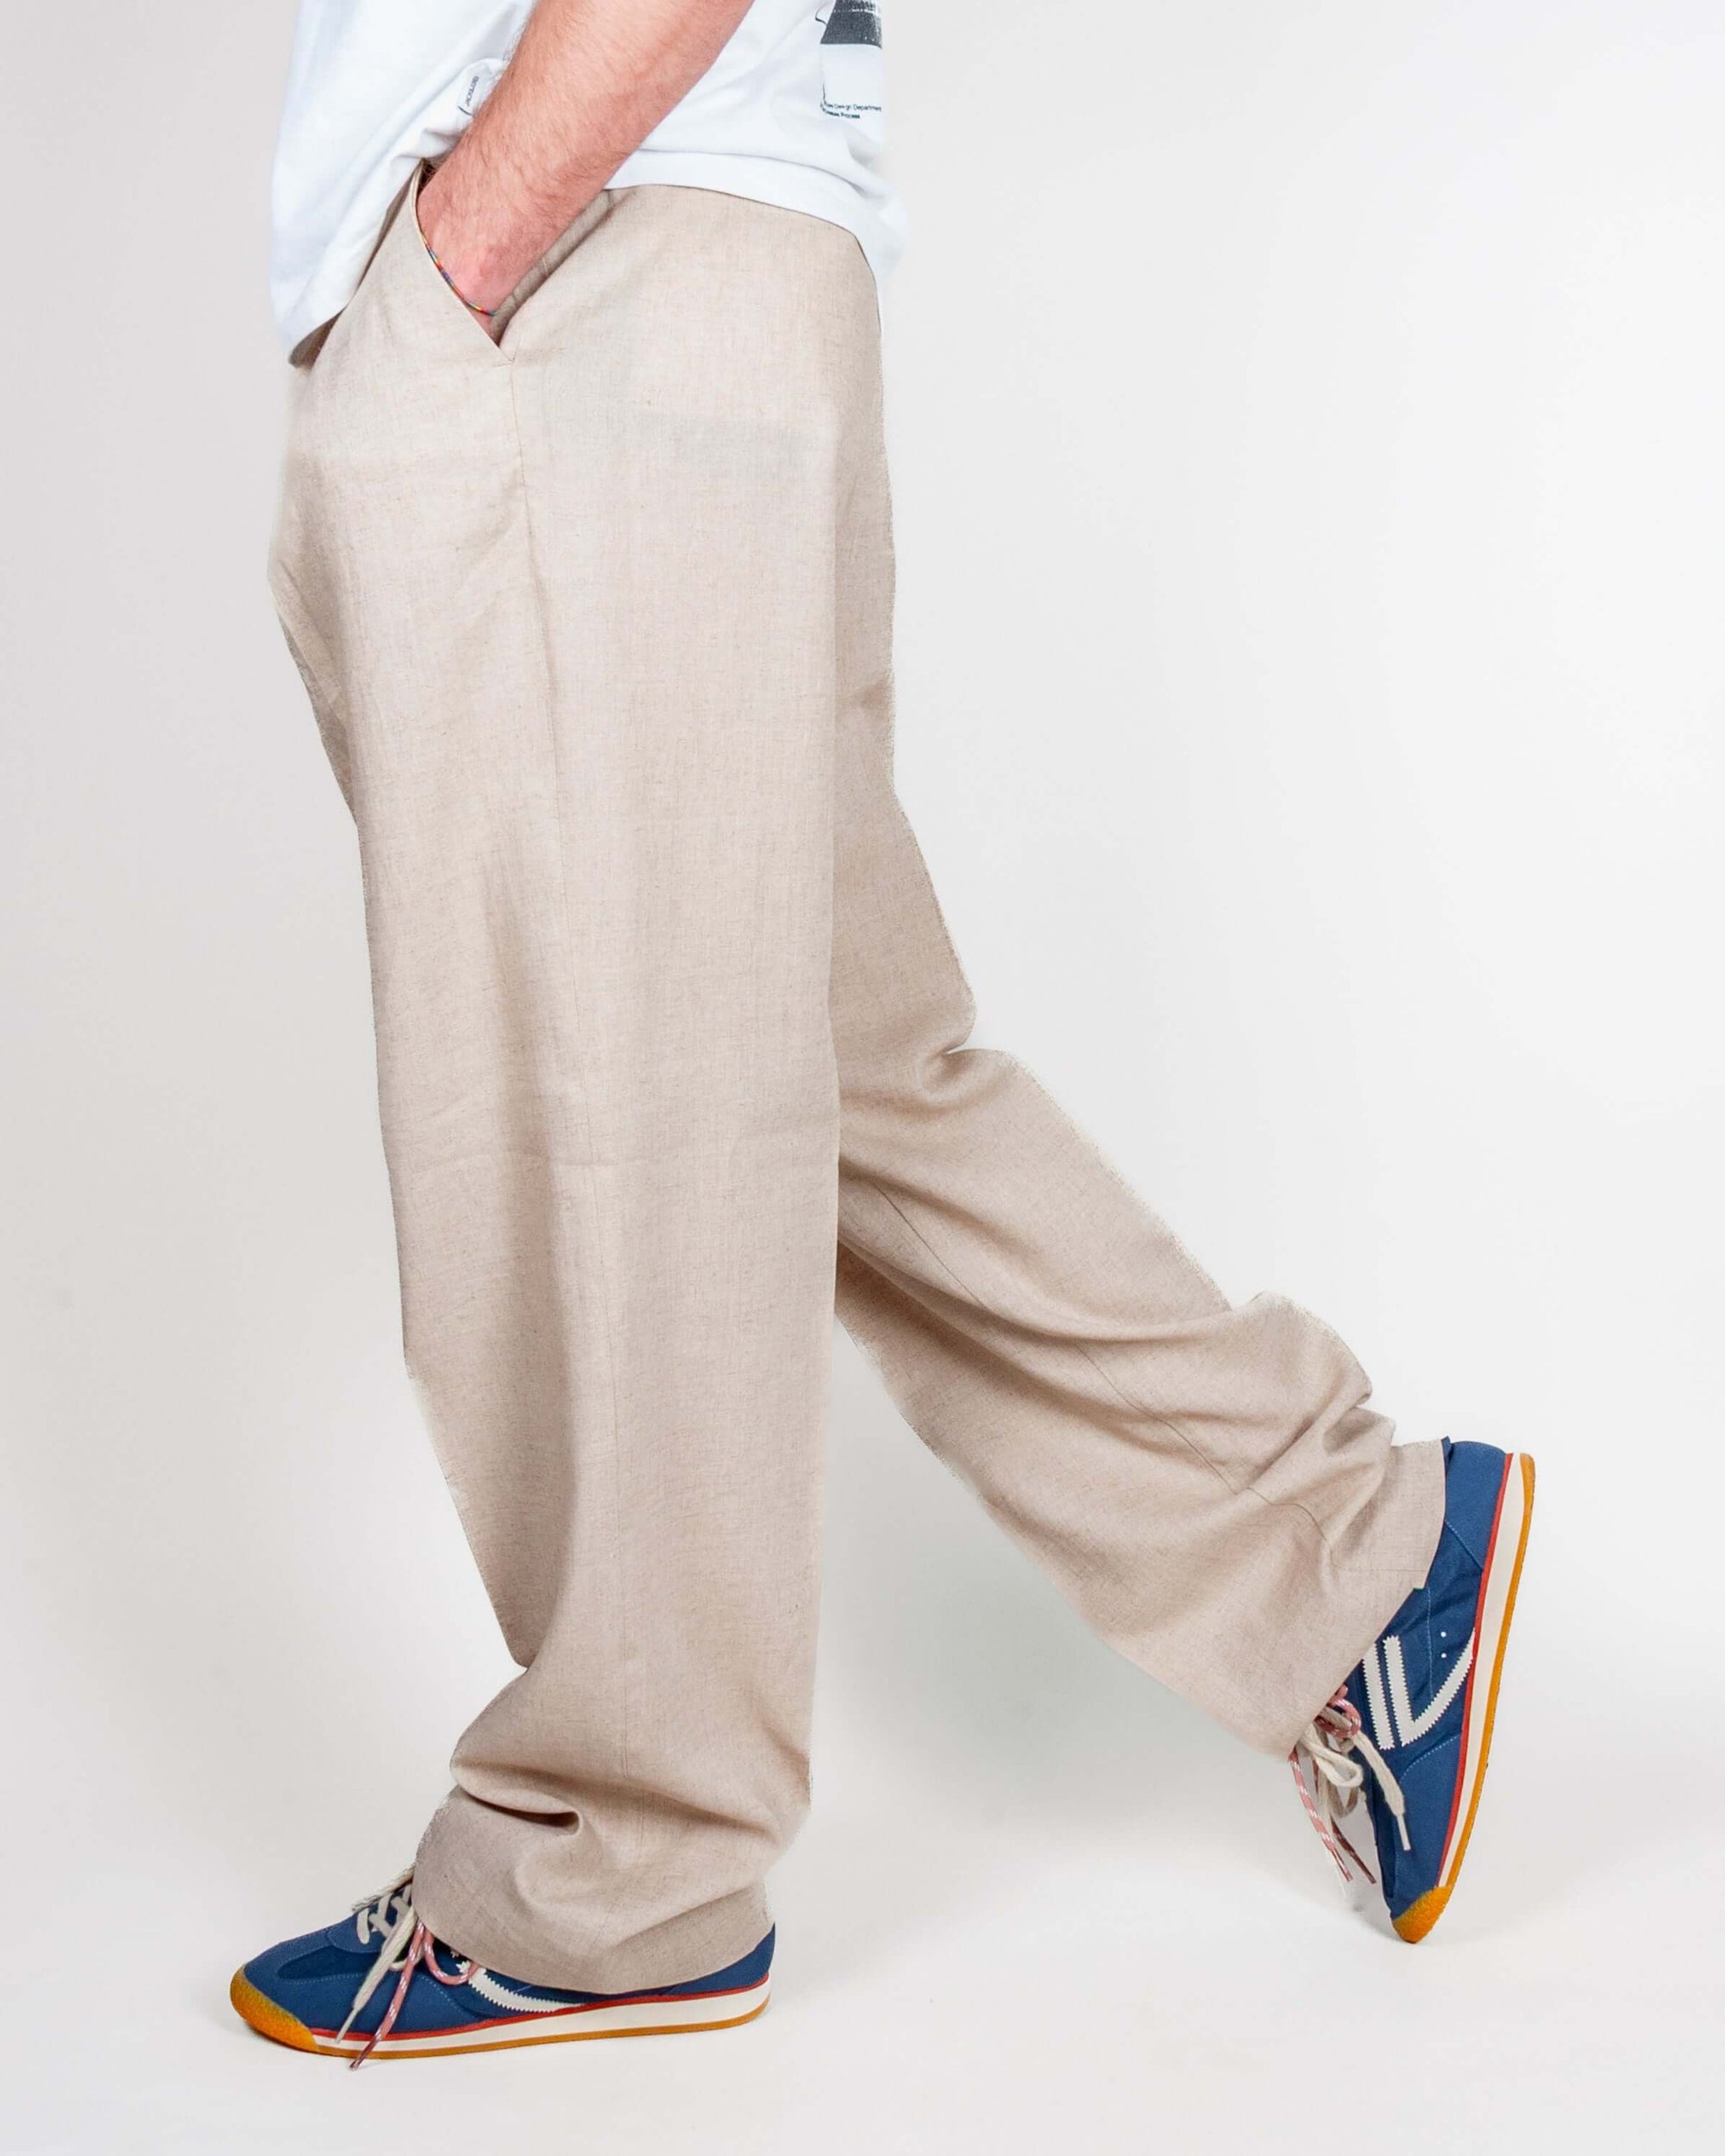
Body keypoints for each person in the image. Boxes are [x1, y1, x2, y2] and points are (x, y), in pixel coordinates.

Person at [232, 0, 1535, 2067]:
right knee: (827, 1070)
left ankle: (625, 1868)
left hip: (580, 259)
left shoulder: (532, 246)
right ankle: (1347, 1560)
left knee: (618, 1107)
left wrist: (462, 250)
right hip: (685, 261)